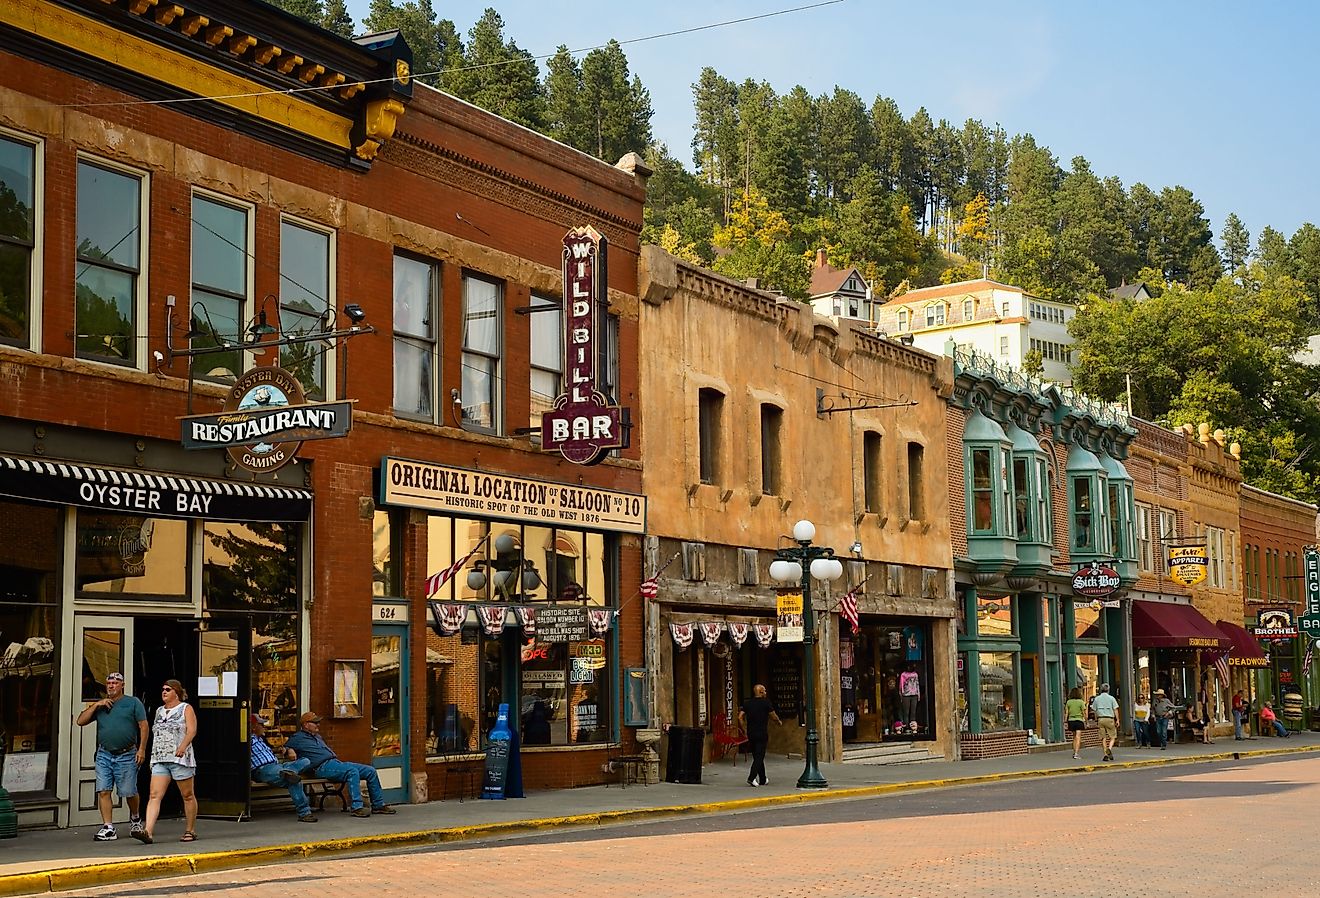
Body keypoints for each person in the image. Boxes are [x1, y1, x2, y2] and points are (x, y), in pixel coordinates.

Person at [75, 671, 148, 843]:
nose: (111, 686)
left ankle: (135, 818)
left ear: (122, 685)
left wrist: (142, 750)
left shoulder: (132, 703)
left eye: (115, 683)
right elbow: (80, 721)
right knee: (103, 790)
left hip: (127, 753)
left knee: (129, 791)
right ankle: (108, 827)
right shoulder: (100, 705)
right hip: (104, 753)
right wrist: (96, 705)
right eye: (108, 683)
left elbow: (143, 726)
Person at [285, 711, 396, 816]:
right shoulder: (297, 737)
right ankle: (357, 807)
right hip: (321, 767)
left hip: (334, 763)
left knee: (370, 771)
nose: (318, 724)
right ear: (305, 724)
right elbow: (284, 747)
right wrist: (289, 749)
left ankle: (378, 805)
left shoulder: (317, 737)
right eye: (315, 723)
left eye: (318, 722)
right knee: (352, 771)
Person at [137, 679, 198, 845]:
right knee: (154, 795)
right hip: (160, 758)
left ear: (176, 692)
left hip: (179, 758)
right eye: (163, 689)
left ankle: (190, 830)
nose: (164, 692)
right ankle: (148, 831)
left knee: (187, 795)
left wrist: (183, 746)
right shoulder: (159, 711)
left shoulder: (186, 708)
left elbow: (192, 730)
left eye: (168, 689)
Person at [249, 713, 317, 823]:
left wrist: (286, 749)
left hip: (279, 766)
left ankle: (288, 772)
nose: (264, 727)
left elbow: (274, 749)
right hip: (263, 769)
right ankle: (304, 813)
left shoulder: (261, 739)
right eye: (261, 724)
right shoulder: (247, 740)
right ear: (253, 727)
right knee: (294, 781)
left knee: (305, 761)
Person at [738, 684, 781, 787]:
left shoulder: (747, 703)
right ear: (761, 692)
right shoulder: (766, 703)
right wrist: (778, 721)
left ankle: (762, 778)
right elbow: (773, 715)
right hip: (761, 733)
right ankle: (751, 777)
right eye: (764, 691)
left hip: (751, 733)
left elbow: (740, 717)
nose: (766, 692)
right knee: (759, 756)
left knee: (757, 756)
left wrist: (744, 729)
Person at [1090, 682, 1120, 762]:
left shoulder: (1097, 699)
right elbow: (1115, 709)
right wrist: (1117, 719)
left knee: (1103, 737)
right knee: (1112, 737)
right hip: (1109, 718)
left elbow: (1094, 710)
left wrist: (1096, 719)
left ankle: (1105, 754)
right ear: (1108, 690)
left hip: (1101, 719)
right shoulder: (1111, 698)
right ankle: (1109, 749)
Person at [1065, 687, 1087, 760]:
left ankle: (1074, 751)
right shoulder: (1081, 702)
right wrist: (1086, 721)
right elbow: (1084, 712)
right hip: (1079, 720)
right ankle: (1076, 753)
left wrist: (1065, 721)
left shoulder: (1069, 702)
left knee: (1074, 737)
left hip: (1071, 720)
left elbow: (1066, 713)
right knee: (1078, 737)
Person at [899, 665, 921, 731]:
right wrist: (901, 694)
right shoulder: (903, 674)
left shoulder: (915, 674)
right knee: (906, 712)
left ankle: (913, 728)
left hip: (914, 694)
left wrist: (918, 694)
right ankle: (906, 727)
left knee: (913, 712)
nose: (909, 667)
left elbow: (917, 684)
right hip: (906, 694)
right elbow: (901, 685)